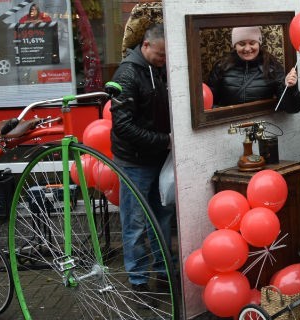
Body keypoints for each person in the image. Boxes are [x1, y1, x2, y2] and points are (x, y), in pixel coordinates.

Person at [109, 23, 175, 295]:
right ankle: (138, 281)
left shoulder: (158, 70)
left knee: (161, 218)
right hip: (134, 162)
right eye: (160, 54)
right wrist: (165, 141)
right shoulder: (127, 74)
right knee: (134, 223)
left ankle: (163, 272)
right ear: (145, 45)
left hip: (158, 159)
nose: (164, 60)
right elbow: (123, 126)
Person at [206, 26, 300, 112]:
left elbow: (292, 108)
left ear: (259, 43)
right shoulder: (221, 66)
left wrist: (290, 88)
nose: (247, 49)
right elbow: (209, 103)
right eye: (242, 44)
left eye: (252, 43)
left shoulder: (272, 67)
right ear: (235, 46)